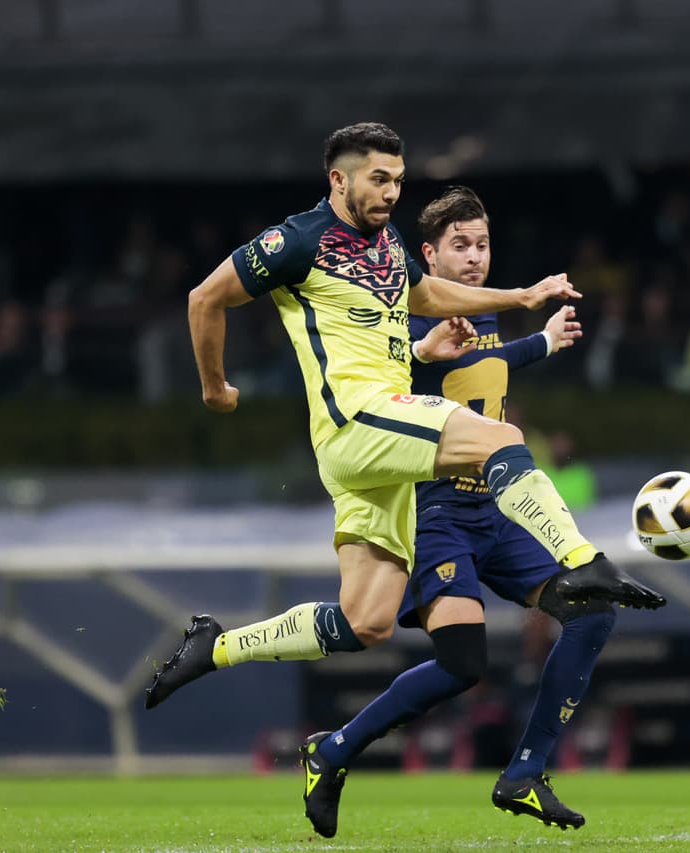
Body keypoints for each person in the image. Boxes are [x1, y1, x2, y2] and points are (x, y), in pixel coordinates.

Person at [144, 127, 663, 714]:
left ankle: (218, 647)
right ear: (339, 180)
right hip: (358, 419)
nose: (391, 192)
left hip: (374, 450)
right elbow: (204, 298)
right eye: (378, 179)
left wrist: (519, 298)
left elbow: (425, 296)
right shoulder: (299, 239)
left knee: (367, 621)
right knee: (500, 438)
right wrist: (215, 387)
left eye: (397, 180)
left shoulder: (386, 242)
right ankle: (583, 561)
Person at [297, 186, 619, 837]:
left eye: (482, 244)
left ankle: (524, 773)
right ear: (429, 254)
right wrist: (419, 352)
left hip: (493, 514)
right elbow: (375, 390)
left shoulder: (482, 315)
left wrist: (545, 344)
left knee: (593, 609)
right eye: (461, 245)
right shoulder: (403, 313)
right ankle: (331, 750)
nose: (475, 257)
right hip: (432, 510)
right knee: (464, 665)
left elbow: (482, 369)